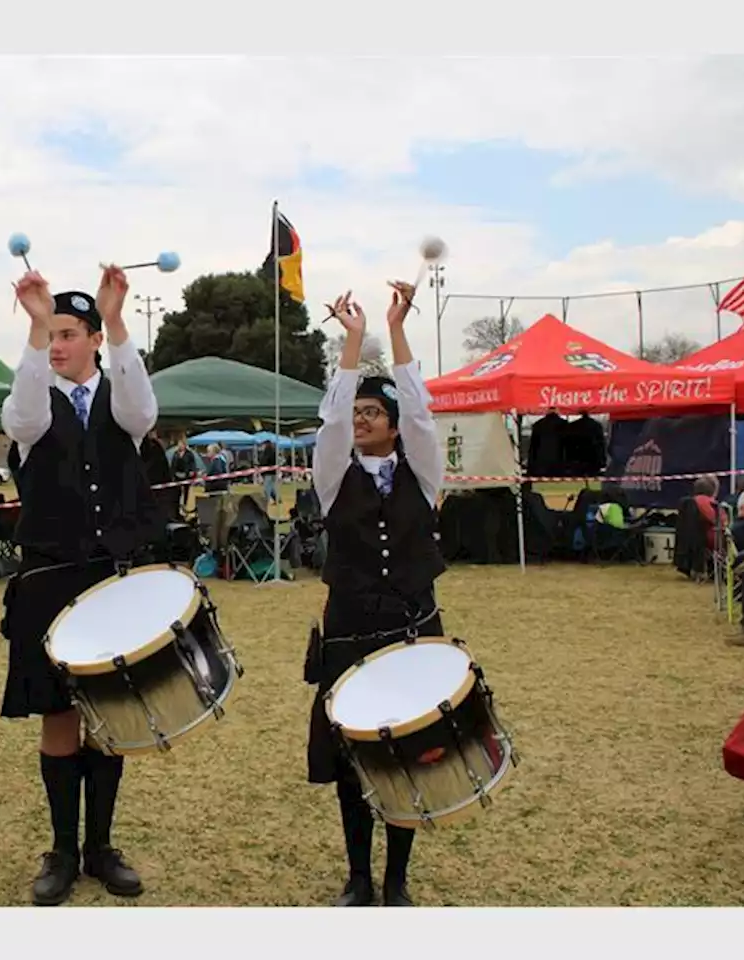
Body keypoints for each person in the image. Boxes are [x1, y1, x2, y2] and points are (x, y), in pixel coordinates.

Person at [0, 265, 163, 907]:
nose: (59, 344)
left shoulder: (124, 402)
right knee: (60, 717)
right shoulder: (32, 409)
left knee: (110, 719)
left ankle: (101, 846)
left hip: (113, 581)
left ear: (95, 339)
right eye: (53, 334)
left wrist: (119, 319)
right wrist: (35, 328)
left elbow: (141, 409)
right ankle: (63, 850)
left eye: (70, 332)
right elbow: (23, 413)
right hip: (50, 580)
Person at [304, 283, 445, 908]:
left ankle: (397, 881)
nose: (359, 420)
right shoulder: (333, 477)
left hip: (414, 626)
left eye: (371, 413)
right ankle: (358, 876)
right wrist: (353, 345)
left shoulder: (426, 473)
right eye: (355, 411)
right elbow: (331, 422)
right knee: (353, 755)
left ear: (393, 425)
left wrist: (397, 330)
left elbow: (421, 412)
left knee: (407, 753)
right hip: (350, 628)